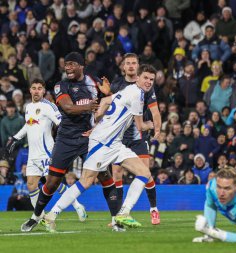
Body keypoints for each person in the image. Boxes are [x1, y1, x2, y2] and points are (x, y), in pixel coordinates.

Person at [40, 64, 157, 232]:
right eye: (145, 78)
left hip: (114, 143)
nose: (148, 82)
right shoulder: (138, 95)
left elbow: (107, 101)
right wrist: (152, 125)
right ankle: (51, 215)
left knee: (145, 173)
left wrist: (97, 121)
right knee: (86, 181)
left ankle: (123, 213)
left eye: (151, 80)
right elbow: (140, 126)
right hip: (103, 143)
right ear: (137, 77)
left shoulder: (129, 89)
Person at [20, 52, 118, 232]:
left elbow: (112, 104)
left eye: (72, 64)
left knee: (104, 176)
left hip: (89, 138)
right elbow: (67, 108)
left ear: (82, 65)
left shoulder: (93, 81)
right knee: (51, 183)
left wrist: (109, 94)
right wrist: (88, 107)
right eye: (66, 64)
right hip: (66, 138)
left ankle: (116, 220)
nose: (68, 67)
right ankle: (35, 217)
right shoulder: (61, 85)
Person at [6, 79, 86, 222]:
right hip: (33, 155)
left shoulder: (49, 106)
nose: (36, 91)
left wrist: (67, 141)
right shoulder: (28, 106)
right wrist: (15, 138)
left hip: (47, 152)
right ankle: (40, 216)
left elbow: (62, 122)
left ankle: (77, 205)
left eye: (39, 88)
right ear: (30, 90)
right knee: (31, 184)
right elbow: (28, 125)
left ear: (43, 91)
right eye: (34, 88)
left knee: (52, 183)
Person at [100, 53, 162, 225]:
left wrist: (157, 127)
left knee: (146, 174)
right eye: (128, 63)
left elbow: (155, 111)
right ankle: (118, 215)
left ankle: (154, 210)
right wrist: (107, 94)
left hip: (139, 138)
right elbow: (112, 106)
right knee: (117, 174)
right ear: (123, 66)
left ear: (138, 65)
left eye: (134, 63)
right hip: (119, 138)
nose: (131, 66)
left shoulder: (146, 86)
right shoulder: (117, 84)